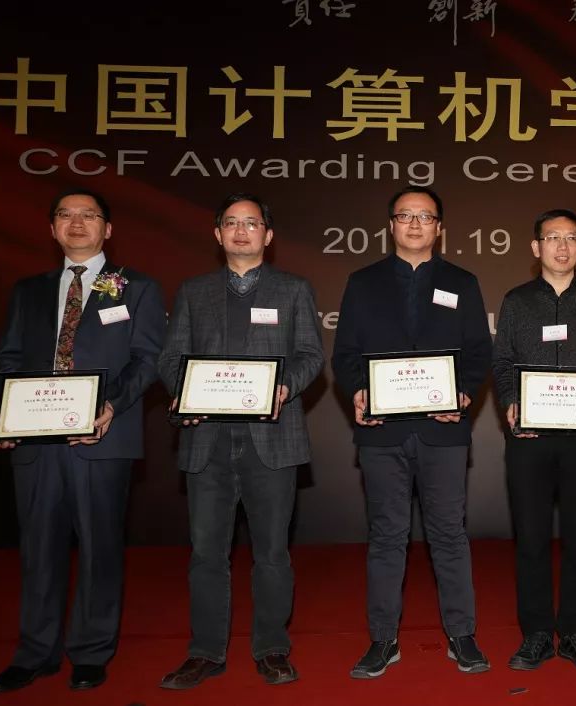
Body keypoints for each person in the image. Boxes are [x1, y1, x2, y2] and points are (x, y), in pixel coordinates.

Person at [0, 189, 166, 692]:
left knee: (99, 546)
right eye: (65, 215)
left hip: (102, 437)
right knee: (38, 549)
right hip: (35, 441)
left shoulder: (136, 287)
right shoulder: (30, 290)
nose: (77, 223)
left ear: (108, 229)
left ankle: (90, 651)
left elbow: (148, 359)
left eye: (89, 215)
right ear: (52, 229)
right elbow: (8, 358)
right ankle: (35, 652)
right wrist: (3, 409)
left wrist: (112, 405)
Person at [157, 193, 324, 689]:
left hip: (271, 439)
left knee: (272, 553)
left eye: (251, 223)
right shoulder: (194, 291)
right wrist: (185, 392)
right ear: (217, 234)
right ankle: (205, 651)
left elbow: (311, 356)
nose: (241, 231)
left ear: (267, 236)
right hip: (206, 440)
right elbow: (171, 358)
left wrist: (283, 387)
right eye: (231, 223)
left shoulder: (293, 289)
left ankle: (272, 647)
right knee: (207, 554)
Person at [331, 185, 493, 678]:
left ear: (439, 227)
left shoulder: (462, 282)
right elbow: (345, 354)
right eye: (406, 216)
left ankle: (462, 635)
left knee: (449, 535)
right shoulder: (363, 282)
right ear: (391, 225)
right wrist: (360, 390)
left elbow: (479, 352)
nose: (416, 224)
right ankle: (383, 640)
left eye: (426, 216)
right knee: (386, 536)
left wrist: (462, 392)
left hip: (443, 431)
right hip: (382, 433)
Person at [491, 208, 576, 671]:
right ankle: (535, 635)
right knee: (530, 539)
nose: (562, 247)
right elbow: (503, 361)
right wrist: (511, 401)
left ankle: (574, 633)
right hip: (529, 436)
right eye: (552, 238)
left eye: (571, 238)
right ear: (536, 247)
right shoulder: (516, 300)